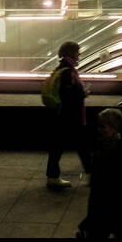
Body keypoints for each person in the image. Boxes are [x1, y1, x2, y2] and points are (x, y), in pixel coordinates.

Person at [76, 108, 122, 239]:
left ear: (114, 128)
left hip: (115, 202)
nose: (99, 129)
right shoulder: (106, 145)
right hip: (110, 202)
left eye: (103, 126)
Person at [46, 41, 90, 190]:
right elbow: (72, 94)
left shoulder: (62, 68)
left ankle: (52, 177)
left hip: (62, 116)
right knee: (82, 146)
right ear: (71, 53)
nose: (79, 55)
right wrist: (84, 92)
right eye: (77, 52)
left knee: (58, 147)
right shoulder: (68, 71)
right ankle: (91, 174)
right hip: (71, 116)